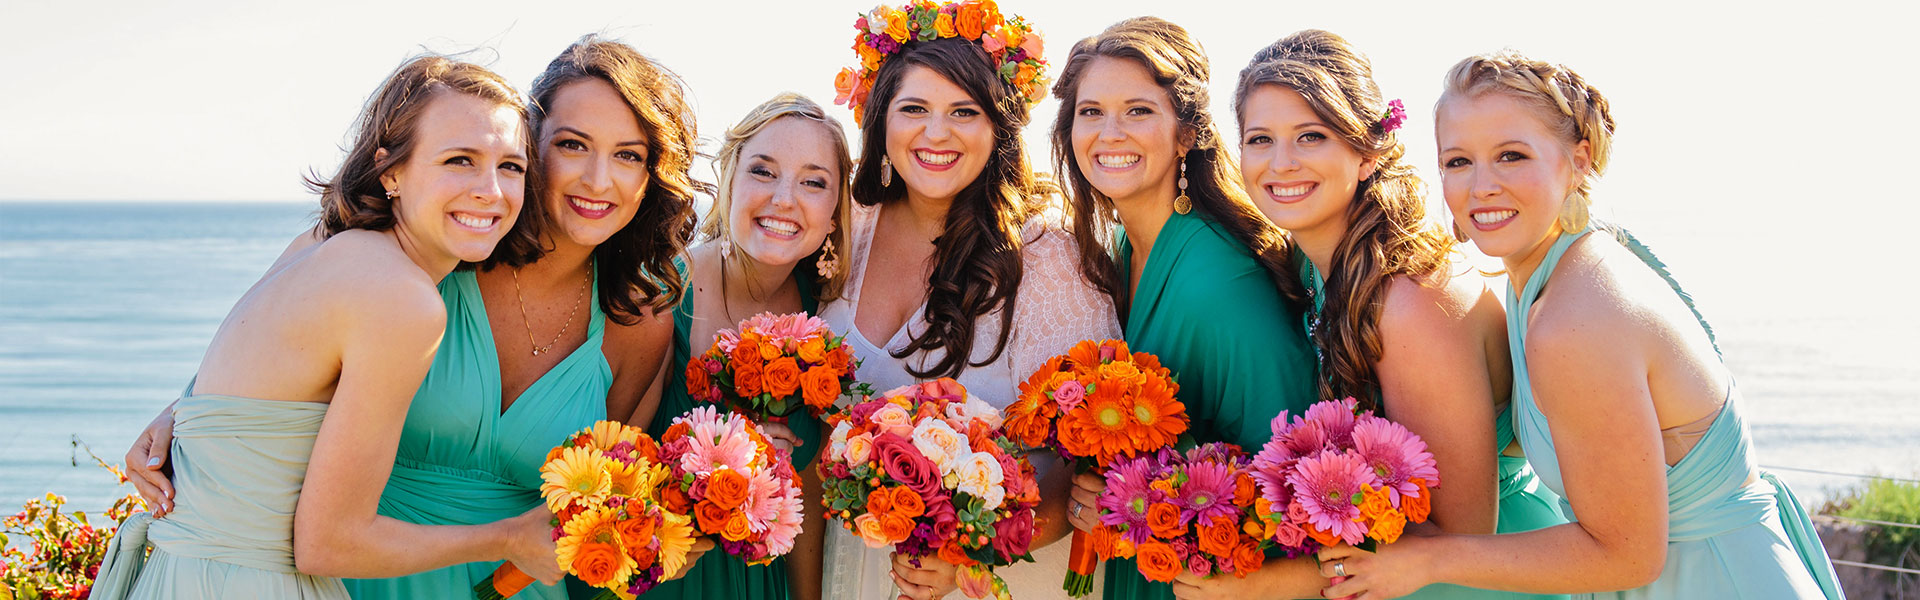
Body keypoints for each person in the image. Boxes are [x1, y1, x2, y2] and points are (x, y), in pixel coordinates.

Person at [123, 36, 710, 600]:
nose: (598, 180)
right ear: (532, 146)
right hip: (355, 574)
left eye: (629, 155)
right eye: (573, 145)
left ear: (651, 176)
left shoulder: (638, 317)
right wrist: (181, 414)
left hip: (511, 587)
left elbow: (601, 495)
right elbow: (274, 345)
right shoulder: (431, 250)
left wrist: (657, 536)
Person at [1315, 50, 1844, 600]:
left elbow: (1628, 555)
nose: (1481, 186)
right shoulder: (1561, 270)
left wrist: (1425, 559)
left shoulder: (1574, 320)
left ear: (1579, 160)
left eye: (1511, 155)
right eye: (1458, 161)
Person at [91, 54, 549, 599]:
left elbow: (250, 384)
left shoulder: (317, 246)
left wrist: (174, 414)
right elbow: (330, 544)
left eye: (511, 167)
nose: (491, 190)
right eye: (460, 160)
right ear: (391, 172)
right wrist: (510, 539)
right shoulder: (403, 300)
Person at [1232, 29, 1568, 600]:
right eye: (1260, 139)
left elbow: (1462, 531)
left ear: (1367, 154)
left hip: (1475, 579)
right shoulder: (1310, 264)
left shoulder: (1412, 299)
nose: (1281, 163)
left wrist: (1275, 583)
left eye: (1311, 136)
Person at [818, 2, 1121, 598]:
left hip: (988, 577)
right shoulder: (844, 227)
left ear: (998, 128)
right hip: (846, 564)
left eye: (964, 111)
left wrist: (965, 558)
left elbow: (1080, 467)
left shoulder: (1049, 262)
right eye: (914, 109)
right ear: (880, 120)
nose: (937, 133)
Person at [1047, 17, 1320, 600]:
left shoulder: (1222, 286)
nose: (1110, 133)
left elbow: (1290, 488)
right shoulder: (1120, 251)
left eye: (1138, 110)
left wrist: (1140, 502)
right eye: (1091, 111)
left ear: (1186, 134)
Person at [632, 91, 854, 600]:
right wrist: (728, 458)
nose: (784, 199)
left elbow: (809, 492)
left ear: (835, 212)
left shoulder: (825, 311)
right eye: (763, 171)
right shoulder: (663, 292)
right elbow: (614, 460)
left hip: (761, 582)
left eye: (813, 182)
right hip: (666, 576)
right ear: (730, 179)